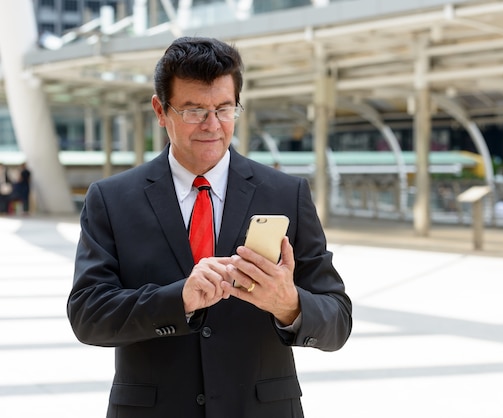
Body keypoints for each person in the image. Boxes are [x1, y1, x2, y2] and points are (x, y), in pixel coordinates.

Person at [67, 37, 352, 418]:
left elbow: (338, 319)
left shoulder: (287, 194)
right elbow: (88, 315)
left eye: (224, 108)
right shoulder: (111, 199)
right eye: (194, 111)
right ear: (160, 110)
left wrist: (289, 304)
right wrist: (179, 299)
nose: (212, 125)